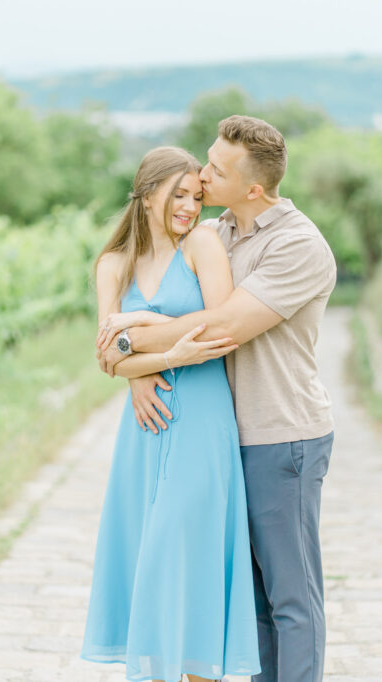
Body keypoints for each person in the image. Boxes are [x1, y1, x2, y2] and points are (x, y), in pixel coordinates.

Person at [98, 116, 337, 682]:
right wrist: (133, 369)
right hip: (227, 433)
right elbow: (165, 294)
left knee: (291, 599)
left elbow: (219, 329)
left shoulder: (297, 244)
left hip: (283, 435)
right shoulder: (221, 231)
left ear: (253, 188)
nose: (202, 177)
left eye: (215, 170)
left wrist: (127, 336)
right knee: (247, 604)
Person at [81, 146, 262, 682]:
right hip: (144, 430)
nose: (189, 207)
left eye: (195, 196)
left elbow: (222, 324)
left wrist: (136, 326)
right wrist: (153, 365)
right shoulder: (112, 265)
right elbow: (108, 355)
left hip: (202, 426)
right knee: (150, 567)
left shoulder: (203, 245)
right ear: (147, 191)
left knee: (184, 560)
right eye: (177, 194)